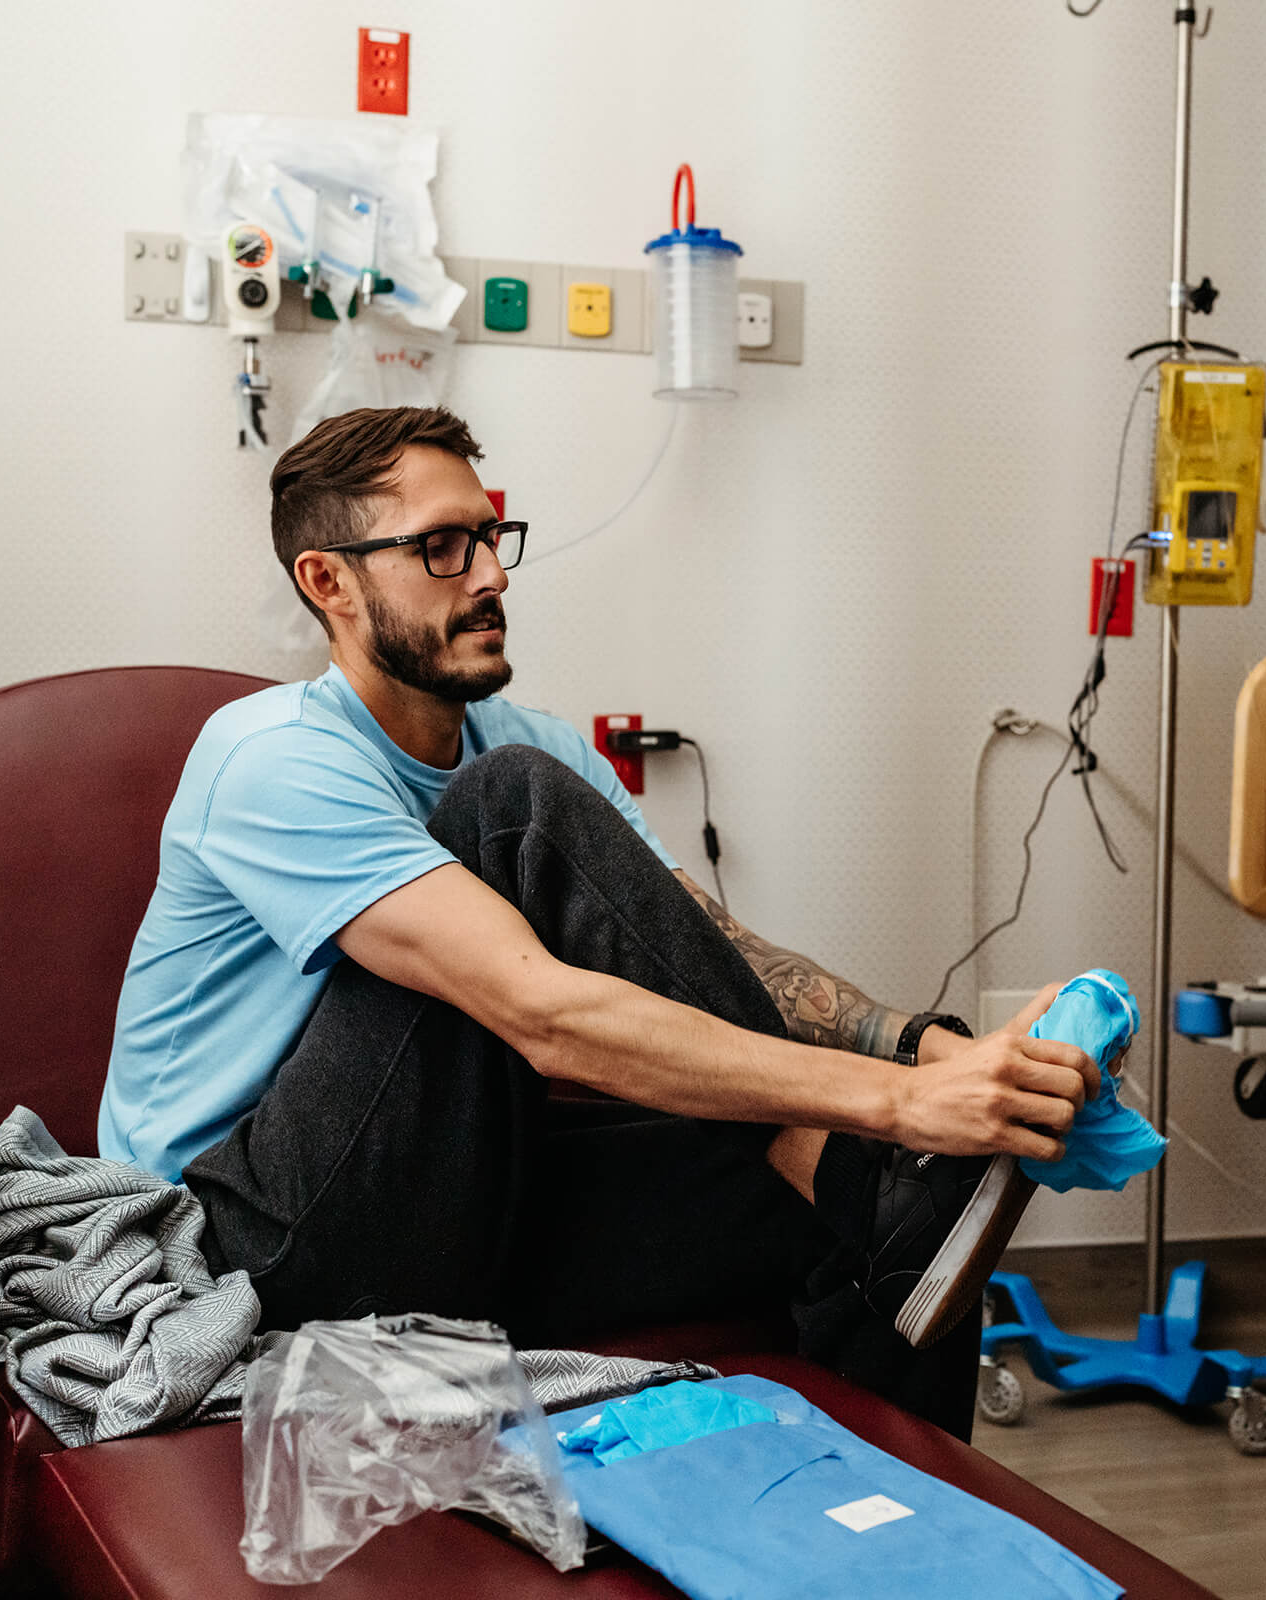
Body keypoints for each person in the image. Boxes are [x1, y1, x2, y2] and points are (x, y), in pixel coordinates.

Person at [99, 404, 1096, 1427]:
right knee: (508, 800)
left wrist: (926, 1054)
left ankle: (895, 1539)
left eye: (491, 537)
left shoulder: (527, 732)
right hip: (250, 1247)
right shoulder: (271, 757)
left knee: (874, 1217)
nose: (491, 575)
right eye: (443, 546)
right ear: (330, 582)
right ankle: (857, 1174)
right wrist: (883, 1107)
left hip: (462, 1190)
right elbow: (545, 1015)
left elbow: (709, 949)